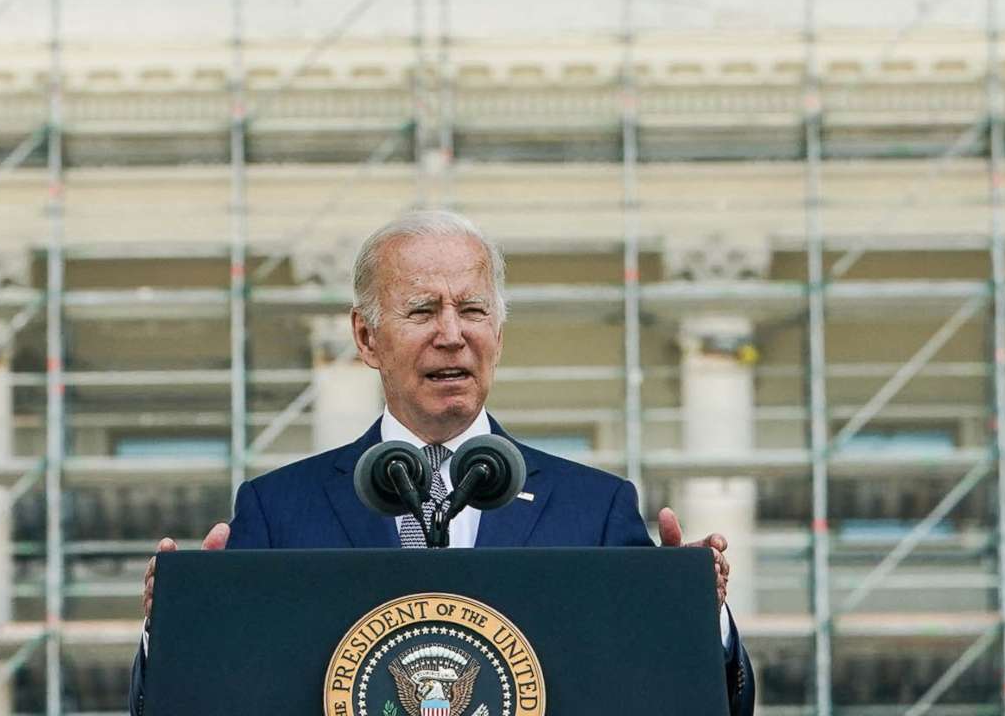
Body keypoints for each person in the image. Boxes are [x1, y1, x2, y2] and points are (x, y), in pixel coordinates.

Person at [134, 209, 755, 716]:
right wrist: (184, 629)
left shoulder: (595, 507)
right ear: (366, 338)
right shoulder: (278, 509)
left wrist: (694, 618)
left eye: (474, 310)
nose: (452, 334)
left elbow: (675, 694)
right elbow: (209, 697)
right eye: (423, 311)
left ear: (500, 335)